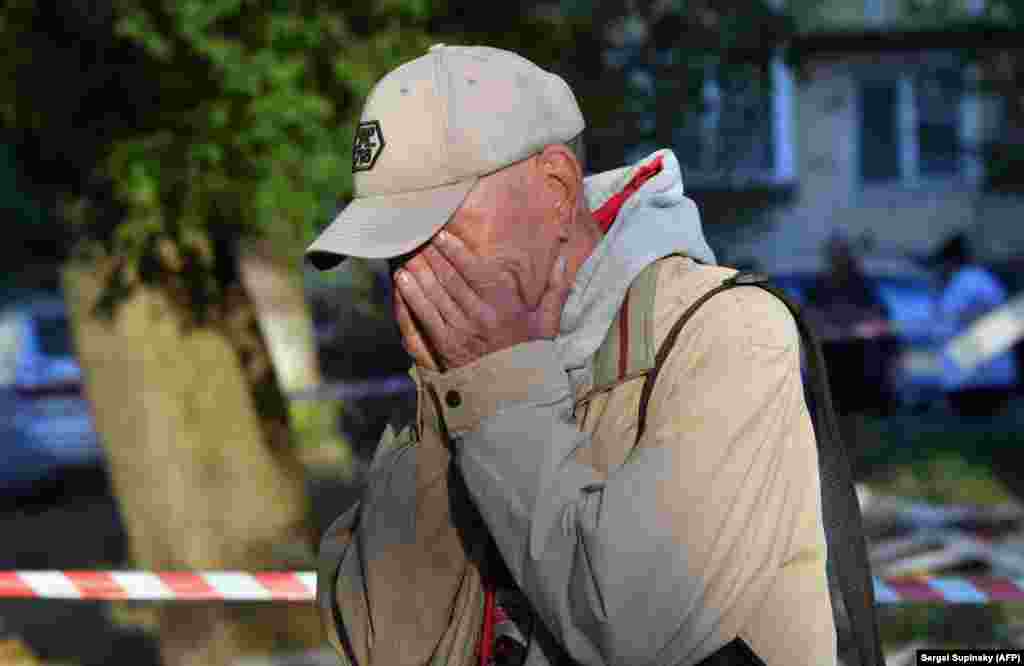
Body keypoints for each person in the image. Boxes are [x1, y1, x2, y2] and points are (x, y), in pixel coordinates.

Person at [307, 45, 842, 665]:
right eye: (393, 249)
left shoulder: (725, 332)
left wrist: (500, 391)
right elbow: (381, 648)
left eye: (431, 228)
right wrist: (448, 404)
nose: (411, 274)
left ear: (557, 190)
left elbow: (636, 627)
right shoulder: (462, 363)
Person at [930, 232, 1018, 418]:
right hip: (974, 378)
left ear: (951, 261)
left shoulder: (973, 281)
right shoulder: (965, 282)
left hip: (978, 381)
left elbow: (987, 317)